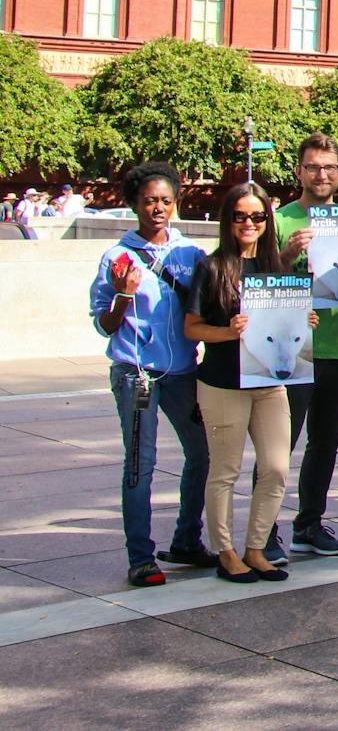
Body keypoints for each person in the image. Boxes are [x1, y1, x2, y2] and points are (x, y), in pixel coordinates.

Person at [90, 161, 215, 587]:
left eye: (165, 201)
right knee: (140, 465)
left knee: (203, 453)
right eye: (149, 201)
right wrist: (123, 296)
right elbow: (103, 323)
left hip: (182, 373)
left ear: (175, 203)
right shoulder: (117, 256)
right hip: (135, 374)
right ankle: (141, 556)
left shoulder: (189, 254)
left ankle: (186, 540)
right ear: (134, 205)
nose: (158, 208)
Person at [183, 182, 306, 583]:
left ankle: (256, 547)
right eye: (241, 216)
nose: (249, 223)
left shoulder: (274, 269)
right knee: (226, 470)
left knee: (276, 467)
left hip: (268, 382)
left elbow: (286, 327)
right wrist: (229, 331)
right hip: (223, 382)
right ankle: (226, 551)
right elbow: (192, 327)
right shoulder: (212, 266)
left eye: (257, 216)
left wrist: (303, 323)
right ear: (228, 220)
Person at [268, 134, 338, 562]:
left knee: (325, 442)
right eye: (312, 167)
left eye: (329, 167)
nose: (321, 175)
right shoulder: (280, 220)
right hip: (291, 350)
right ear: (299, 171)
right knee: (278, 444)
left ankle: (308, 524)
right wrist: (286, 256)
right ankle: (262, 529)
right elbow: (260, 282)